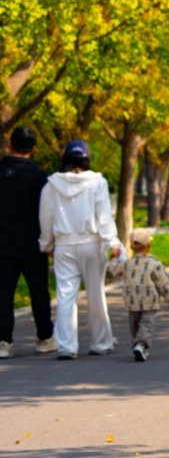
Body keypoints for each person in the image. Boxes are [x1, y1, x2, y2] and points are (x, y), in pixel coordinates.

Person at [39, 139, 123, 360]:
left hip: (64, 245)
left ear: (65, 159)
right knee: (96, 294)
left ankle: (66, 346)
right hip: (92, 245)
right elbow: (104, 217)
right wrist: (112, 242)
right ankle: (101, 343)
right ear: (87, 160)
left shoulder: (51, 185)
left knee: (65, 296)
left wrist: (46, 244)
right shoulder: (98, 183)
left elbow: (46, 216)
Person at [0, 127, 57, 359]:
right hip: (33, 245)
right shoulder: (39, 176)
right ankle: (44, 337)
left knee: (3, 294)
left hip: (2, 246)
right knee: (39, 291)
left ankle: (3, 341)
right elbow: (47, 213)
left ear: (10, 145)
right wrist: (50, 241)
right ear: (33, 149)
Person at [106, 228, 169, 362]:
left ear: (131, 247)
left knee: (135, 326)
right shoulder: (155, 264)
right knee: (146, 325)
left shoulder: (126, 264)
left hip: (132, 302)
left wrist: (114, 258)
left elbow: (111, 272)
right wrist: (168, 296)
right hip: (150, 302)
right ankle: (140, 344)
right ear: (149, 245)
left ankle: (139, 344)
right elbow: (163, 281)